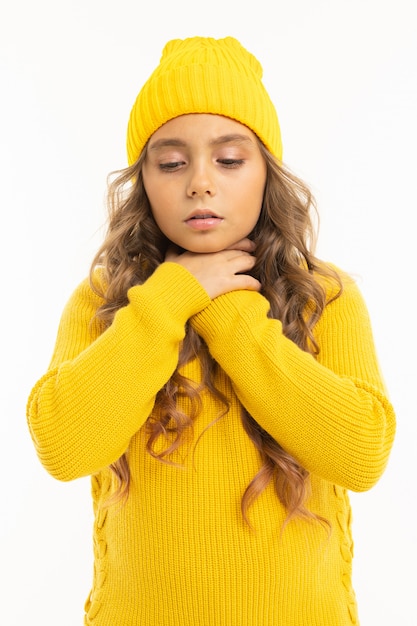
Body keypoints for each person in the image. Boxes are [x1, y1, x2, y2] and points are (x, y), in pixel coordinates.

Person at [26, 36, 396, 626]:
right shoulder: (104, 302)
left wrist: (227, 313)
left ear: (266, 173)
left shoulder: (326, 299)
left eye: (229, 160)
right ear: (143, 180)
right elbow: (65, 449)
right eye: (172, 162)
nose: (200, 182)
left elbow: (360, 455)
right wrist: (172, 298)